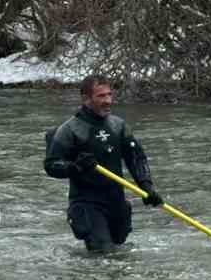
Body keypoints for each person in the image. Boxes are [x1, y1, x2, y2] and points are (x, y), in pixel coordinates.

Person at [43, 74, 161, 253]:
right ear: (85, 99)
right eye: (101, 96)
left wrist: (146, 186)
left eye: (109, 95)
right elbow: (51, 165)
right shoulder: (69, 130)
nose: (108, 101)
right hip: (86, 204)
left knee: (119, 253)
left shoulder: (118, 125)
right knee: (104, 254)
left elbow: (136, 157)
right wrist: (76, 167)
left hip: (116, 203)